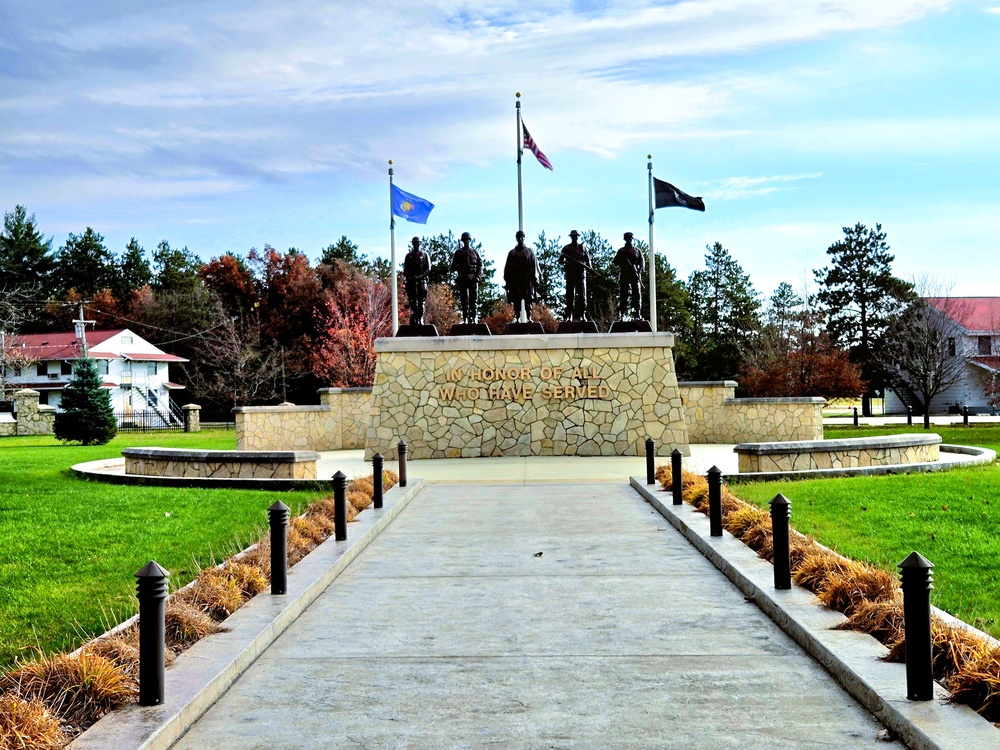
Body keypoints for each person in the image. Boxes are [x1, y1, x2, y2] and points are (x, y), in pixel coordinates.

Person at [503, 230, 539, 322]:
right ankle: (517, 317)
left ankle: (529, 317)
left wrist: (535, 278)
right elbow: (507, 268)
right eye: (518, 237)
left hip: (527, 280)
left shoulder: (529, 252)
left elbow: (534, 266)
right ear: (516, 238)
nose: (520, 239)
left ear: (524, 238)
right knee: (516, 300)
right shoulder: (512, 253)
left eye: (522, 237)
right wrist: (507, 280)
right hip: (516, 280)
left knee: (528, 299)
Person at [557, 229, 591, 321]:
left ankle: (582, 314)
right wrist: (568, 262)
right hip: (570, 274)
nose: (574, 238)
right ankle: (569, 315)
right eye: (573, 236)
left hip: (580, 274)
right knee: (570, 296)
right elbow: (560, 260)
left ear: (578, 237)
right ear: (571, 237)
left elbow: (588, 260)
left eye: (576, 236)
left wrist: (589, 267)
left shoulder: (582, 248)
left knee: (582, 296)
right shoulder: (566, 248)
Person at [450, 232, 484, 324]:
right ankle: (465, 318)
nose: (466, 242)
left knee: (474, 300)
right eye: (465, 240)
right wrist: (459, 265)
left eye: (468, 240)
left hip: (473, 278)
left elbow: (480, 265)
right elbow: (452, 267)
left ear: (470, 241)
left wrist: (478, 276)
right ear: (462, 241)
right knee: (464, 300)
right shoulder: (458, 252)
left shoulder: (475, 252)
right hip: (463, 278)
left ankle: (474, 317)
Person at [613, 231, 644, 319]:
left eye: (630, 239)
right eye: (627, 239)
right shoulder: (621, 251)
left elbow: (642, 263)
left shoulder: (637, 251)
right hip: (624, 274)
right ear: (625, 239)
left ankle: (638, 313)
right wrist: (622, 261)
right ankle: (622, 314)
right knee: (623, 295)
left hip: (634, 275)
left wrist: (639, 271)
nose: (629, 240)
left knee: (637, 295)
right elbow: (615, 262)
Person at [402, 236, 430, 326]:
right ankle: (415, 317)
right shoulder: (409, 256)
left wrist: (420, 276)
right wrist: (410, 277)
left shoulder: (424, 255)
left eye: (417, 243)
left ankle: (420, 318)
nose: (416, 245)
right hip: (411, 281)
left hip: (422, 281)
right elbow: (405, 269)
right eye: (414, 243)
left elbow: (428, 268)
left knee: (421, 301)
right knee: (413, 301)